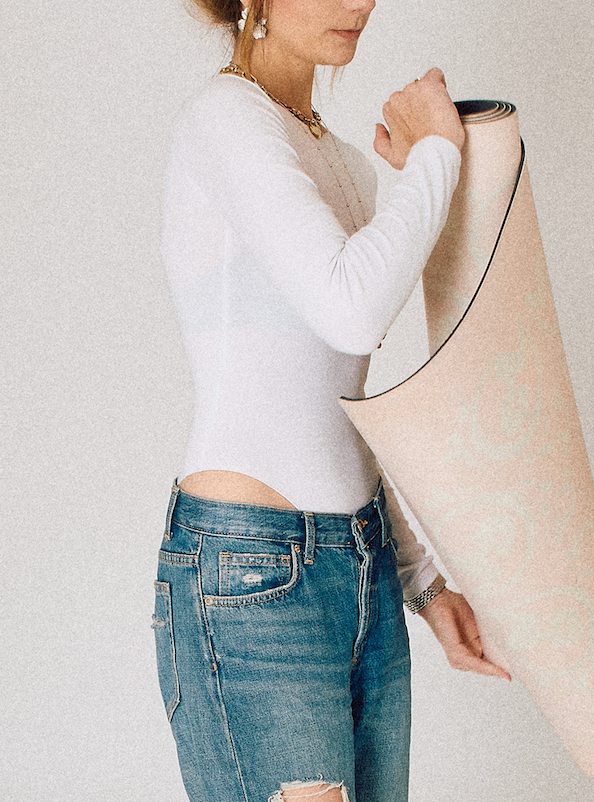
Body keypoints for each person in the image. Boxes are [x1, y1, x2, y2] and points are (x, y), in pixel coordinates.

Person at [153, 0, 510, 800]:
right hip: (251, 574)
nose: (360, 2)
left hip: (363, 563)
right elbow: (353, 307)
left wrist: (422, 581)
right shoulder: (225, 118)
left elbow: (338, 402)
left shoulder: (339, 158)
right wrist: (435, 156)